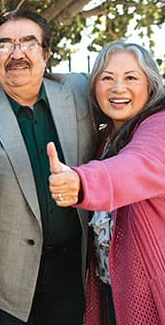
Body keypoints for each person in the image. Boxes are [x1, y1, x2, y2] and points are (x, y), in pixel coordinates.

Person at [0, 9, 96, 324]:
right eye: (4, 45)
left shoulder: (80, 89)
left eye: (28, 43)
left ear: (46, 53)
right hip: (1, 272)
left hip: (71, 266)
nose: (17, 54)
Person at [47, 41, 165, 325]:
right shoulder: (105, 140)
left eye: (131, 78)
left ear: (150, 85)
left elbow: (135, 166)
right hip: (111, 290)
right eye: (107, 77)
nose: (118, 88)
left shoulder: (159, 126)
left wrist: (81, 181)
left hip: (150, 292)